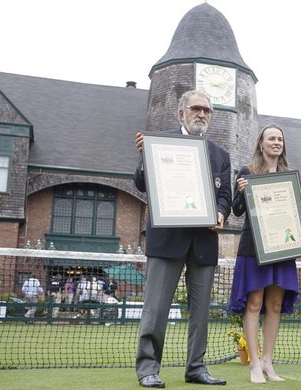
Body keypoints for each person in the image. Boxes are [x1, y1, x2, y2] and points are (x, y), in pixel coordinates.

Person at [133, 90, 231, 388]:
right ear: (181, 113)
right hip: (167, 239)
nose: (202, 114)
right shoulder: (158, 143)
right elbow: (140, 184)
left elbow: (224, 195)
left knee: (200, 311)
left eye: (207, 110)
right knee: (156, 308)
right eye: (196, 108)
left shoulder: (220, 154)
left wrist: (220, 213)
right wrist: (143, 157)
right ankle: (148, 368)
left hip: (204, 242)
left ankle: (196, 368)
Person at [227, 125, 300, 384]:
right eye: (272, 138)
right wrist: (241, 191)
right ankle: (254, 364)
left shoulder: (289, 176)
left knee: (275, 305)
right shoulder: (247, 172)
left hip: (282, 246)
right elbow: (236, 211)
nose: (276, 142)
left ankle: (269, 361)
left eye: (280, 139)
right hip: (254, 247)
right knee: (254, 303)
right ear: (261, 143)